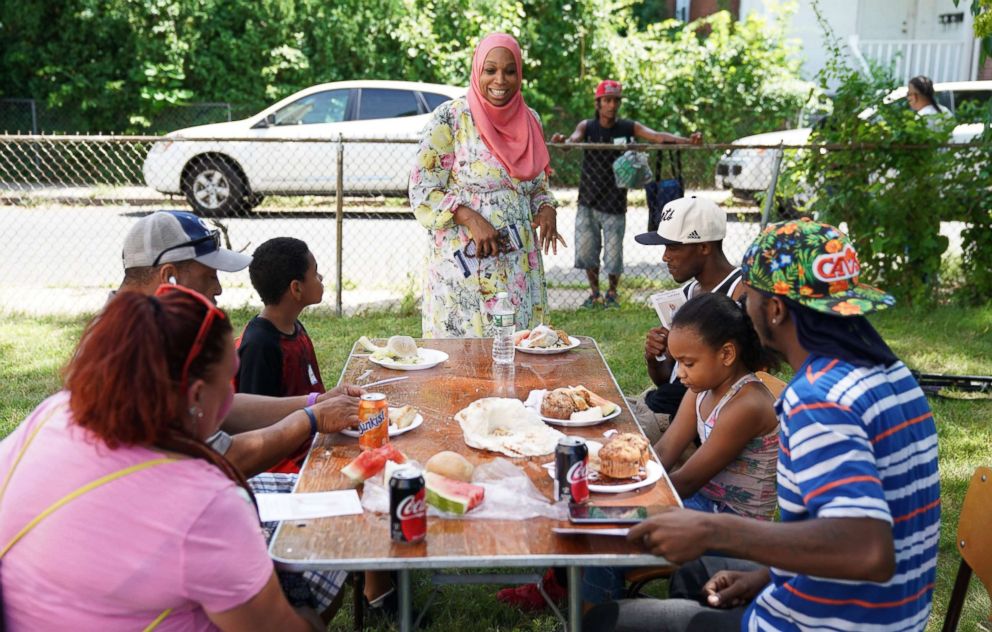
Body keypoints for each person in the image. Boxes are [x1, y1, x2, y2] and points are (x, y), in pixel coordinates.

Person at [585, 218, 940, 631]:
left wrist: (712, 528)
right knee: (697, 578)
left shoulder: (821, 399)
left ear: (774, 309)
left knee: (606, 623)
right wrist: (767, 575)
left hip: (823, 623)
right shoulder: (893, 377)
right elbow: (839, 531)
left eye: (749, 298)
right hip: (894, 616)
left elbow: (866, 550)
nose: (745, 311)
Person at [0, 288, 322, 631]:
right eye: (228, 381)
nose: (232, 395)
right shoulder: (206, 503)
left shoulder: (53, 413)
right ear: (196, 395)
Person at [118, 211, 364, 615]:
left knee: (338, 501)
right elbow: (221, 460)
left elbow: (224, 408)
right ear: (169, 278)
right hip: (164, 533)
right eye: (209, 274)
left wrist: (312, 402)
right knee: (330, 532)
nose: (218, 288)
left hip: (184, 506)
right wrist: (311, 420)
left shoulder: (140, 327)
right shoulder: (141, 352)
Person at [581, 292, 780, 607]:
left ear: (727, 354)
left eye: (688, 363)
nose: (680, 374)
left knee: (606, 530)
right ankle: (600, 604)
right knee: (599, 516)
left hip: (735, 526)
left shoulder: (748, 404)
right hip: (702, 504)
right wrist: (616, 473)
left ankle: (601, 615)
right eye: (678, 363)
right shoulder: (702, 388)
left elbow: (686, 479)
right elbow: (664, 450)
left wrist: (622, 499)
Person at [409, 32, 566, 338]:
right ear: (477, 70)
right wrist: (470, 218)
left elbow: (536, 185)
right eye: (490, 70)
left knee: (516, 348)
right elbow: (422, 189)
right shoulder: (451, 118)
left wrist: (546, 208)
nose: (501, 80)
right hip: (464, 263)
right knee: (463, 356)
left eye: (510, 71)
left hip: (516, 264)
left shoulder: (530, 119)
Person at [550, 80, 702, 308]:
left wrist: (689, 141)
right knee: (587, 252)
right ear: (598, 103)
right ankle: (594, 294)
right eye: (607, 100)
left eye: (615, 101)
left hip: (615, 202)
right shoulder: (588, 126)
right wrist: (562, 142)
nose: (611, 105)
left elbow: (657, 136)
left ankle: (612, 293)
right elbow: (572, 141)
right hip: (588, 200)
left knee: (613, 255)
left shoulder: (627, 127)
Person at [629, 196, 744, 446]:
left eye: (673, 247)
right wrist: (654, 357)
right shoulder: (687, 293)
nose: (665, 257)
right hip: (665, 404)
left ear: (704, 247)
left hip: (691, 425)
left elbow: (741, 385)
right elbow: (670, 380)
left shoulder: (740, 293)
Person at [237, 237, 326, 474]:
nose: (321, 278)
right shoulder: (260, 345)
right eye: (316, 273)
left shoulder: (294, 327)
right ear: (296, 288)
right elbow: (254, 424)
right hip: (287, 466)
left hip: (314, 440)